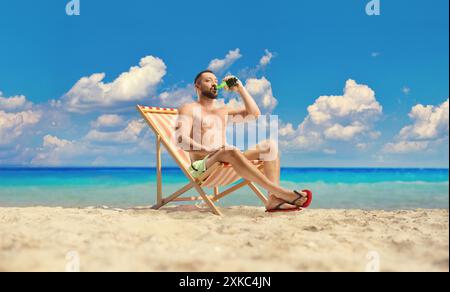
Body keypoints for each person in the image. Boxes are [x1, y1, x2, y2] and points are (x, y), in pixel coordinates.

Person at [175, 70, 312, 212]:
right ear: (197, 86)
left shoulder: (222, 111)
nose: (214, 83)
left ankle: (273, 199)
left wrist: (240, 88)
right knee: (229, 149)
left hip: (227, 160)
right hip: (204, 167)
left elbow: (254, 115)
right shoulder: (189, 108)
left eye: (216, 81)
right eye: (208, 80)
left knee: (269, 147)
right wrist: (211, 150)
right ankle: (281, 192)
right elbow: (181, 140)